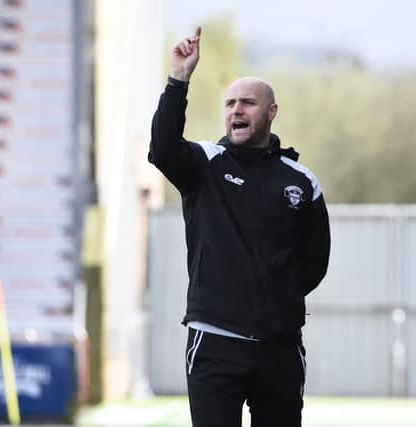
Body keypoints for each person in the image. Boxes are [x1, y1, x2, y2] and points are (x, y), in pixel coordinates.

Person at [148, 27, 331, 427]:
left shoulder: (301, 181)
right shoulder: (203, 164)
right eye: (230, 103)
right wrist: (179, 78)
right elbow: (161, 149)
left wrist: (274, 296)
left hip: (279, 347)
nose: (236, 110)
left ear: (271, 111)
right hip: (214, 342)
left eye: (248, 103)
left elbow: (314, 261)